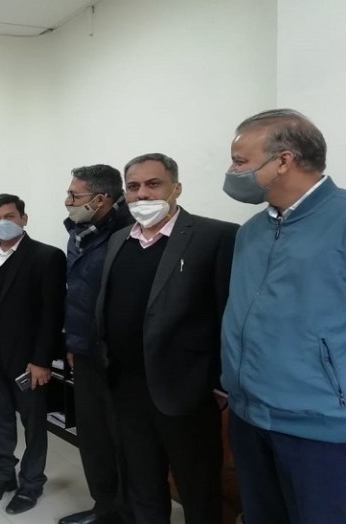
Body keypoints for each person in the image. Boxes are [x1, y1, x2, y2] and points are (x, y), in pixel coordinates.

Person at [95, 153, 238, 524]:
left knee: (198, 488)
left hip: (186, 391)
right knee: (142, 482)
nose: (142, 194)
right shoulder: (118, 239)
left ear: (177, 187)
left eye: (153, 184)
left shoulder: (215, 237)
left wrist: (219, 385)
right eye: (133, 186)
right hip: (126, 388)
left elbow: (228, 314)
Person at [221, 109, 346, 524]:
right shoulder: (251, 232)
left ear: (284, 161)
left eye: (240, 161)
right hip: (248, 415)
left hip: (321, 427)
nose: (232, 171)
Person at [0, 194, 66, 515]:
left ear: (24, 218)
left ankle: (32, 482)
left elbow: (52, 314)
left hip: (28, 359)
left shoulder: (47, 257)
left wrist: (42, 360)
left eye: (9, 216)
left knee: (32, 422)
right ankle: (3, 476)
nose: (2, 222)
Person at [59, 166, 133, 524]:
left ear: (101, 199)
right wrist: (72, 343)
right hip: (85, 352)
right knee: (93, 436)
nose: (68, 201)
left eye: (75, 195)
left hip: (119, 356)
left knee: (125, 440)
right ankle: (104, 508)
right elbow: (78, 295)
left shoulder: (131, 232)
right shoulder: (78, 233)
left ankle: (128, 511)